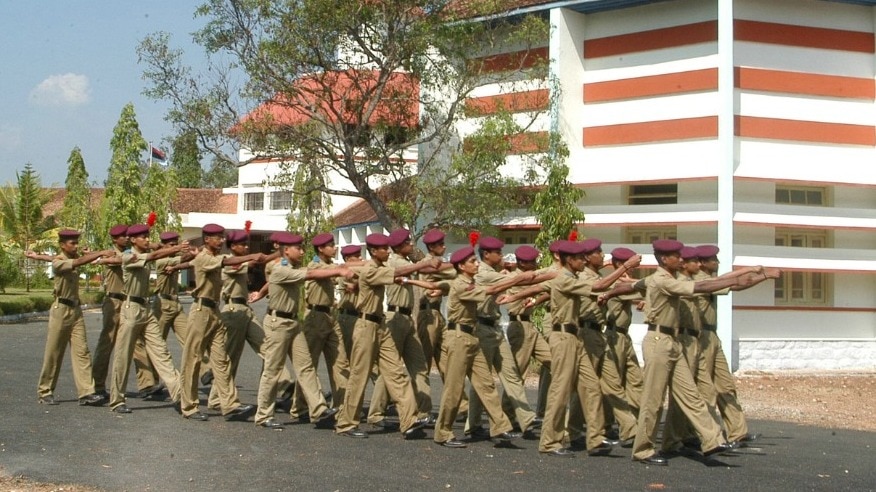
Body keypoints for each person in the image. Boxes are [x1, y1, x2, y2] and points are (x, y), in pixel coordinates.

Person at [600, 239, 775, 465]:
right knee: (653, 400)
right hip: (658, 341)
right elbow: (700, 287)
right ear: (665, 259)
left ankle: (712, 440)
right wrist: (737, 277)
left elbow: (632, 287)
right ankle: (642, 450)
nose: (681, 259)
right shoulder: (663, 280)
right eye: (676, 256)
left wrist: (608, 294)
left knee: (690, 394)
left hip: (672, 342)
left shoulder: (659, 279)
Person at [406, 245, 529, 448]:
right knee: (454, 388)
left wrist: (409, 281)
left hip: (472, 337)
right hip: (458, 338)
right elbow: (491, 290)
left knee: (486, 384)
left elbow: (435, 285)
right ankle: (443, 432)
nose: (477, 264)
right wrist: (518, 278)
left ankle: (500, 426)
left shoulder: (464, 281)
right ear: (462, 266)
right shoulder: (462, 286)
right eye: (472, 261)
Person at [334, 233, 439, 439]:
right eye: (383, 249)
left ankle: (409, 420)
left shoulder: (377, 267)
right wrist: (423, 264)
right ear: (374, 251)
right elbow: (396, 271)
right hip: (366, 326)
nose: (387, 251)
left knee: (395, 372)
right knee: (359, 375)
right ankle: (346, 423)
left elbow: (391, 274)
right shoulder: (371, 269)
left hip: (381, 325)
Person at [254, 232, 352, 430]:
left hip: (293, 323)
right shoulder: (281, 269)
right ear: (286, 251)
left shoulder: (291, 268)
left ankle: (318, 409)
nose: (301, 252)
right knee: (273, 370)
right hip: (278, 323)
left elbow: (308, 272)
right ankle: (263, 415)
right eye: (298, 248)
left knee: (306, 366)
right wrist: (340, 272)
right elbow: (310, 274)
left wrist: (260, 293)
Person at [178, 223, 267, 422]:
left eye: (222, 237)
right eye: (218, 237)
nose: (222, 240)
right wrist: (251, 256)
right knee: (193, 359)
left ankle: (229, 404)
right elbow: (227, 262)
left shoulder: (214, 256)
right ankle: (189, 406)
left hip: (215, 311)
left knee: (221, 360)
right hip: (201, 311)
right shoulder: (204, 258)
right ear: (207, 240)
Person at [108, 224, 188, 414]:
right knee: (123, 356)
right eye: (143, 237)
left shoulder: (143, 254)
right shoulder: (128, 256)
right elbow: (153, 256)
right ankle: (117, 400)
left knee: (161, 352)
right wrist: (176, 247)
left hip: (146, 308)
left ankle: (179, 395)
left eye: (147, 236)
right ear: (133, 240)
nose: (147, 240)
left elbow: (163, 255)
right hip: (131, 309)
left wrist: (187, 252)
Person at [26, 230, 112, 406]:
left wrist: (37, 256)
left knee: (82, 352)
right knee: (54, 352)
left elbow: (63, 258)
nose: (76, 246)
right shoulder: (59, 262)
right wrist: (102, 252)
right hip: (61, 310)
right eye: (72, 243)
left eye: (77, 242)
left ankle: (87, 392)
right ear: (62, 245)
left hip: (76, 310)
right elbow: (76, 262)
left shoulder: (65, 258)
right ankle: (45, 390)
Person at [695, 244, 762, 447]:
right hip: (701, 337)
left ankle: (737, 432)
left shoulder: (711, 279)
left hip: (712, 336)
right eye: (713, 260)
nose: (717, 263)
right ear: (702, 263)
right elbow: (734, 284)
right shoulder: (700, 280)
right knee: (705, 390)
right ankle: (708, 436)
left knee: (725, 386)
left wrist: (754, 272)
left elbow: (728, 279)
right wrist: (762, 275)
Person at [205, 230, 279, 411]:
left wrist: (279, 252)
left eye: (246, 244)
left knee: (268, 349)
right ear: (232, 246)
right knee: (231, 358)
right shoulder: (228, 262)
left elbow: (257, 261)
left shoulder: (239, 261)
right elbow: (256, 261)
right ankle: (217, 398)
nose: (246, 247)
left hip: (245, 309)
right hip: (233, 312)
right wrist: (278, 253)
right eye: (242, 244)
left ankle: (283, 387)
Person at [367, 229, 435, 428]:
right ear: (398, 247)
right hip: (394, 317)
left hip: (407, 318)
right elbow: (414, 269)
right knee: (391, 368)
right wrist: (428, 263)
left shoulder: (404, 261)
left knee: (419, 365)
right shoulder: (395, 262)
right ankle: (376, 413)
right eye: (407, 242)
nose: (411, 245)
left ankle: (424, 411)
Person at [92, 225, 158, 398]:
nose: (126, 238)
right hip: (114, 302)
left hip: (130, 302)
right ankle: (97, 384)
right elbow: (116, 260)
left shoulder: (131, 252)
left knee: (137, 343)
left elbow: (153, 248)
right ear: (114, 239)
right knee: (107, 342)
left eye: (128, 236)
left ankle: (146, 384)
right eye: (122, 236)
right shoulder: (111, 254)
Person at [501, 245, 551, 435]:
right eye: (532, 262)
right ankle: (508, 417)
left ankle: (545, 412)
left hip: (530, 326)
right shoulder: (517, 277)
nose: (535, 264)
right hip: (519, 327)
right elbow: (540, 278)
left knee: (553, 361)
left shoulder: (524, 274)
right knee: (518, 374)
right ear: (522, 263)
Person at [152, 231, 193, 348]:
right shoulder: (161, 261)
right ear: (163, 246)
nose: (174, 247)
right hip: (163, 305)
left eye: (176, 244)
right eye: (171, 245)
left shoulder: (173, 256)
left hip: (176, 304)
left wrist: (189, 248)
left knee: (190, 342)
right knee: (158, 345)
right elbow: (186, 257)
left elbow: (189, 255)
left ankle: (199, 361)